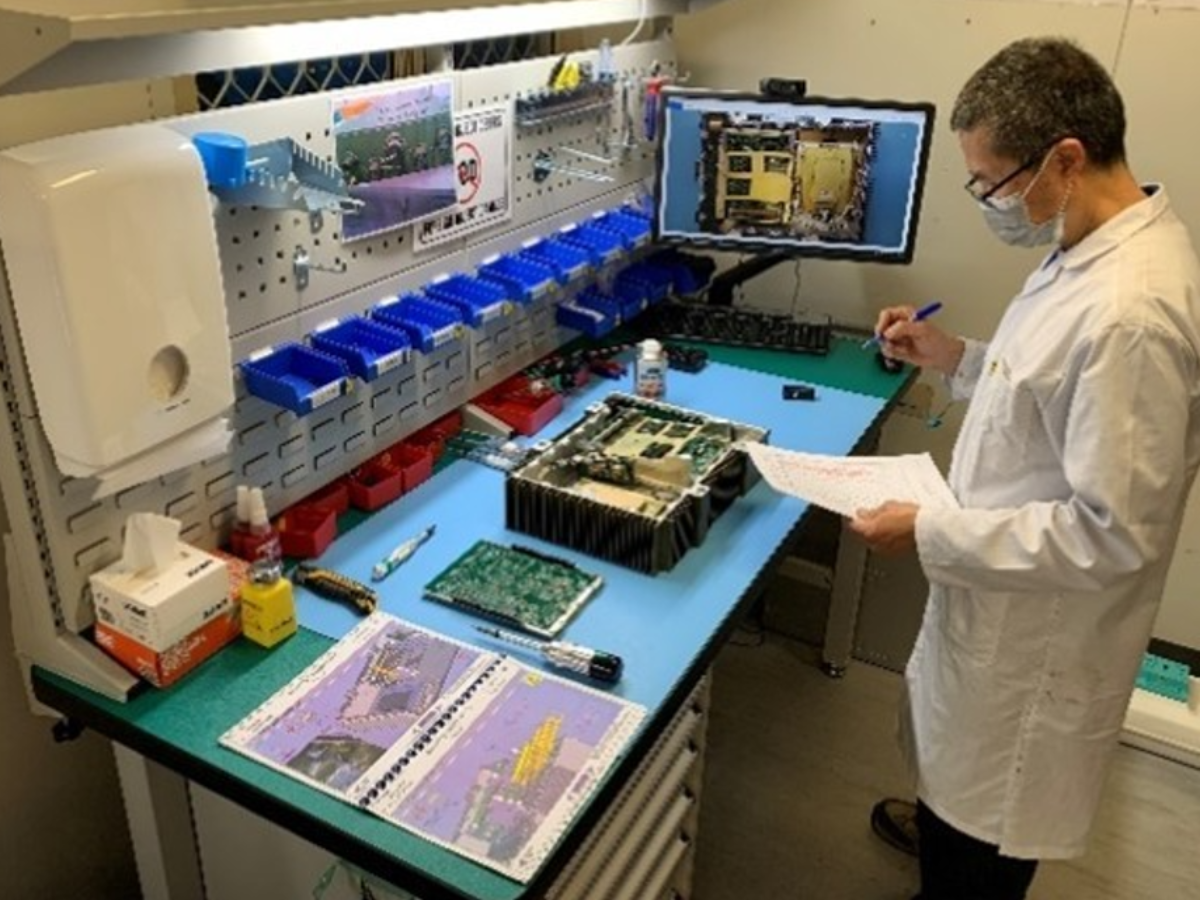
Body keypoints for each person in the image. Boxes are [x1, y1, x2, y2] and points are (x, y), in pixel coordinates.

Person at [849, 36, 1200, 900]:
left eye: (992, 182)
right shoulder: (1092, 242)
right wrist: (952, 355)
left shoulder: (1131, 314)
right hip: (998, 613)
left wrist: (930, 531)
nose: (989, 203)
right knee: (956, 799)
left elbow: (1112, 534)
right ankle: (945, 839)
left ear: (1066, 159)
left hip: (1033, 649)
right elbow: (1044, 394)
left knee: (982, 838)